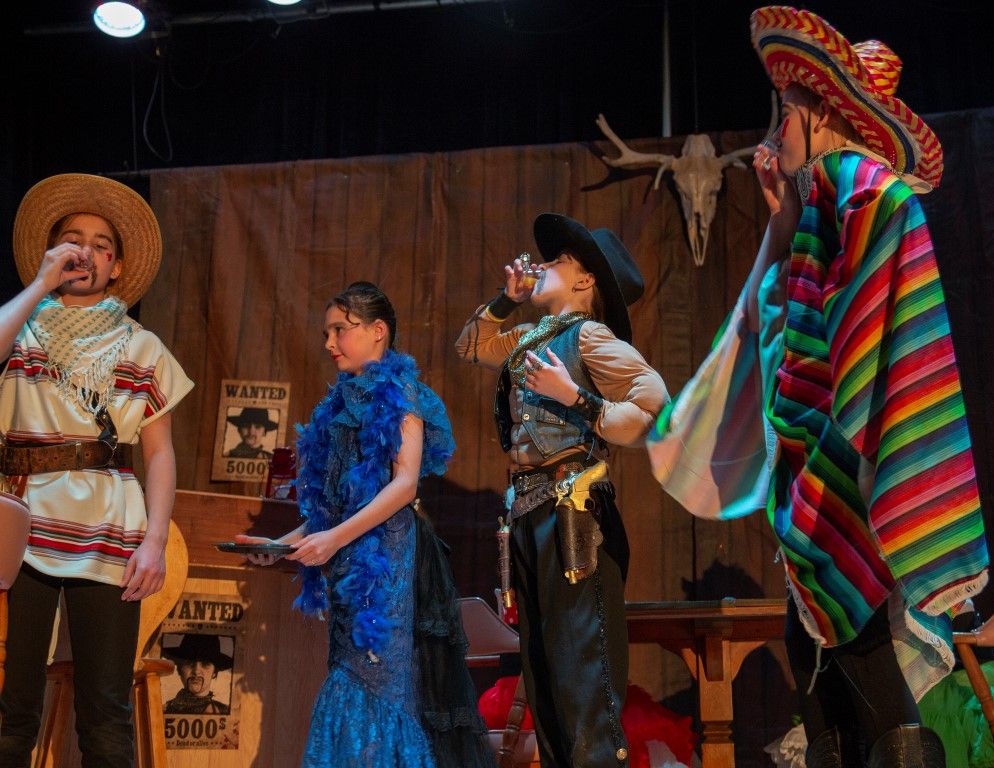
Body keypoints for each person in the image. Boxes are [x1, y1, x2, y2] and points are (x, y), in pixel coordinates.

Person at [649, 8, 990, 767]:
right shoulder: (831, 198)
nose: (776, 134)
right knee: (812, 653)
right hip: (827, 462)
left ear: (820, 114)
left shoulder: (863, 191)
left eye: (785, 114)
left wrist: (842, 441)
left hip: (845, 467)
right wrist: (784, 218)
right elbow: (779, 324)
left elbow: (853, 338)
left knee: (853, 650)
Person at [234, 281, 495, 768]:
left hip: (386, 562)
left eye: (340, 330)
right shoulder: (337, 405)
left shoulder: (400, 392)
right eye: (326, 333)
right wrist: (279, 545)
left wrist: (332, 540)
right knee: (348, 676)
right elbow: (331, 509)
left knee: (375, 684)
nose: (329, 343)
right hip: (348, 564)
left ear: (378, 331)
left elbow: (404, 484)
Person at [455, 213, 669, 768]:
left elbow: (654, 405)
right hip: (529, 513)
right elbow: (471, 345)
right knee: (545, 677)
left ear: (585, 280)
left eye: (558, 260)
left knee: (581, 676)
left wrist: (575, 396)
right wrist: (506, 300)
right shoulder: (529, 337)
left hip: (573, 514)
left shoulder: (589, 336)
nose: (543, 264)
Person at [0, 173, 194, 766]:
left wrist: (154, 541)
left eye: (101, 245)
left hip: (108, 527)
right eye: (72, 240)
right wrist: (40, 284)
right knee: (10, 712)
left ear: (116, 267)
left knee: (106, 715)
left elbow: (159, 452)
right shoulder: (21, 329)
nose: (85, 252)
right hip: (20, 526)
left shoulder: (141, 346)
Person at [161, 633, 234, 715]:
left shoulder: (225, 713)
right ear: (179, 669)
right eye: (189, 663)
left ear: (214, 672)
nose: (196, 671)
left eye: (205, 664)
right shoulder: (163, 711)